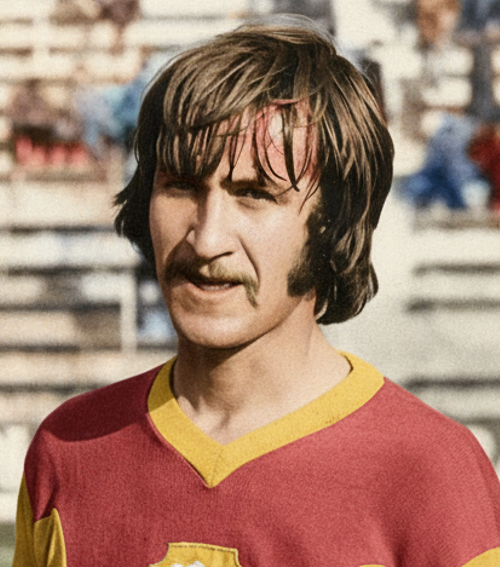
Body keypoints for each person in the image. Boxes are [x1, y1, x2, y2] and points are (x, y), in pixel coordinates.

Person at [13, 18, 500, 567]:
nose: (206, 238)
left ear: (332, 223)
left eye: (254, 194)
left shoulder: (431, 475)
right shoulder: (68, 451)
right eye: (180, 186)